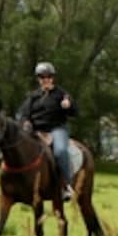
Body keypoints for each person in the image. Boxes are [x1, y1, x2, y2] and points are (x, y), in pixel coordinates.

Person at [17, 62, 78, 202]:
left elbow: (75, 112)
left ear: (53, 78)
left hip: (56, 129)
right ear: (38, 79)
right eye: (42, 77)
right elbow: (23, 113)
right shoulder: (33, 96)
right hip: (36, 131)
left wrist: (68, 107)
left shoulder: (62, 94)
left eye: (48, 76)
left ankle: (66, 186)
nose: (45, 80)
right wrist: (26, 122)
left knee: (61, 151)